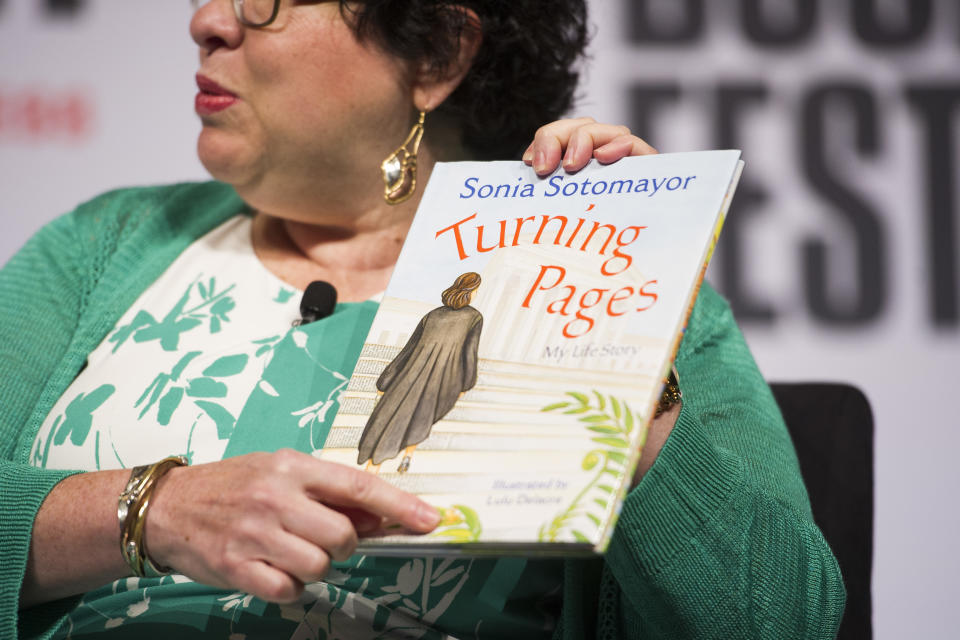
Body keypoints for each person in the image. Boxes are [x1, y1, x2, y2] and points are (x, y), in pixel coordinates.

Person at [0, 0, 845, 638]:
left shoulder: (597, 288)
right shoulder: (105, 245)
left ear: (436, 51)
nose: (208, 21)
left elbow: (784, 619)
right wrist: (155, 509)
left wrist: (614, 334)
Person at [357, 272, 483, 473]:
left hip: (411, 374)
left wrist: (385, 380)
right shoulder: (474, 317)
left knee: (396, 414)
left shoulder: (432, 315)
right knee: (424, 416)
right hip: (444, 378)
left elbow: (408, 350)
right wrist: (467, 383)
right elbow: (470, 352)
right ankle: (408, 456)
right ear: (471, 291)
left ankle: (377, 466)